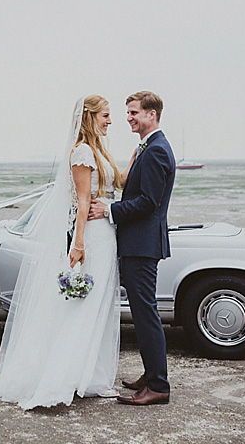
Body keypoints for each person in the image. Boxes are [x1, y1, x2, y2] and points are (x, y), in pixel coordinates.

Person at [0, 95, 133, 409]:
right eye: (105, 115)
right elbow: (83, 202)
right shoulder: (82, 152)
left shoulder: (100, 150)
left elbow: (117, 182)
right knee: (85, 307)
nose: (110, 120)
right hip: (91, 237)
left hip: (107, 234)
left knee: (101, 306)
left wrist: (141, 150)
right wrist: (78, 245)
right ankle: (65, 375)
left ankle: (93, 377)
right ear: (90, 117)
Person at [89, 90, 175, 406]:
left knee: (145, 313)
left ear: (151, 114)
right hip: (139, 242)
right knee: (142, 313)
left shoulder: (155, 151)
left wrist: (108, 210)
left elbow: (148, 202)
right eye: (127, 113)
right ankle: (151, 375)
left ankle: (158, 386)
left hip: (142, 244)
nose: (128, 118)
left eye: (134, 112)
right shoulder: (149, 147)